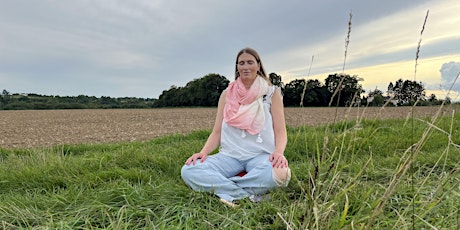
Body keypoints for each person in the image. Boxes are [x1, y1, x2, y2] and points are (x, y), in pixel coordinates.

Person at [181, 47, 291, 207]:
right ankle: (247, 196)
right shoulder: (227, 94)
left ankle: (225, 188)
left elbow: (280, 131)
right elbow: (217, 131)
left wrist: (279, 153)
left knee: (282, 174)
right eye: (241, 63)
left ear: (258, 65)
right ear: (237, 67)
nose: (245, 66)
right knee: (189, 170)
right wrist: (203, 152)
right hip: (229, 156)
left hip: (260, 155)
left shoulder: (271, 93)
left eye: (250, 62)